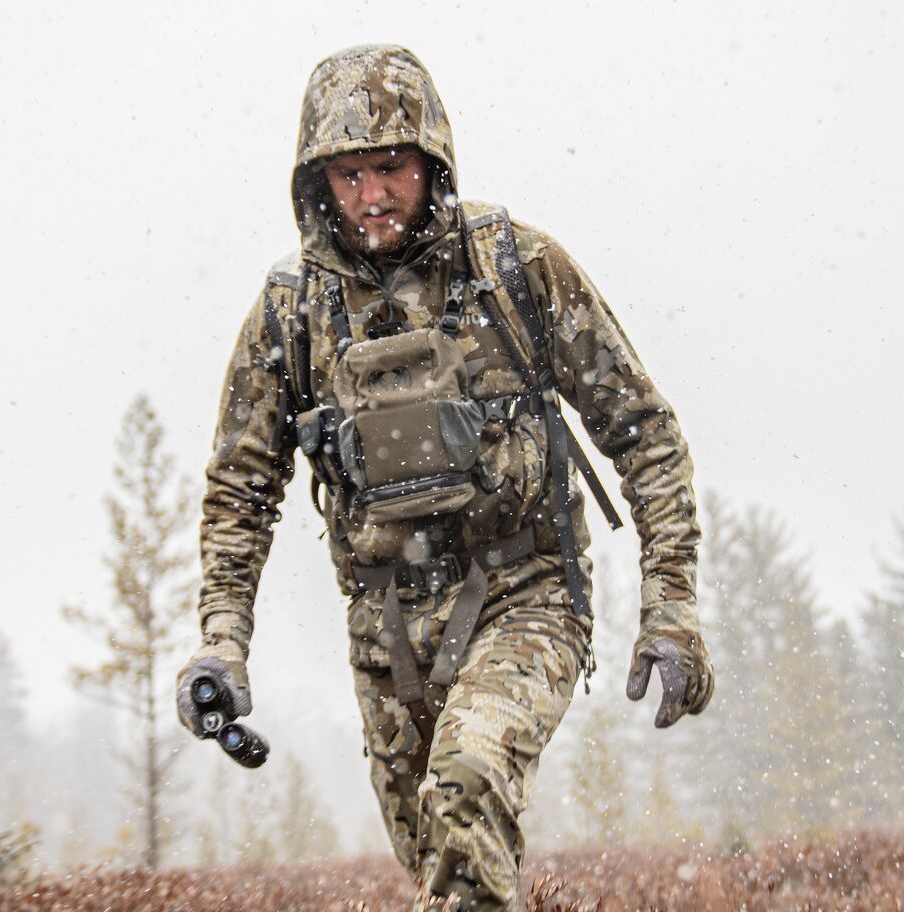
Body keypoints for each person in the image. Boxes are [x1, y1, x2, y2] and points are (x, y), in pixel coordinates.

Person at [176, 44, 712, 910]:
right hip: (387, 631)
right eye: (348, 175)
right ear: (318, 184)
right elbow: (240, 491)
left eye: (390, 168)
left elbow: (644, 434)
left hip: (524, 596)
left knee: (466, 783)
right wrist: (221, 642)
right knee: (444, 862)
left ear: (431, 161)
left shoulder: (517, 269)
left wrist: (673, 609)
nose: (372, 195)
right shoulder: (291, 313)